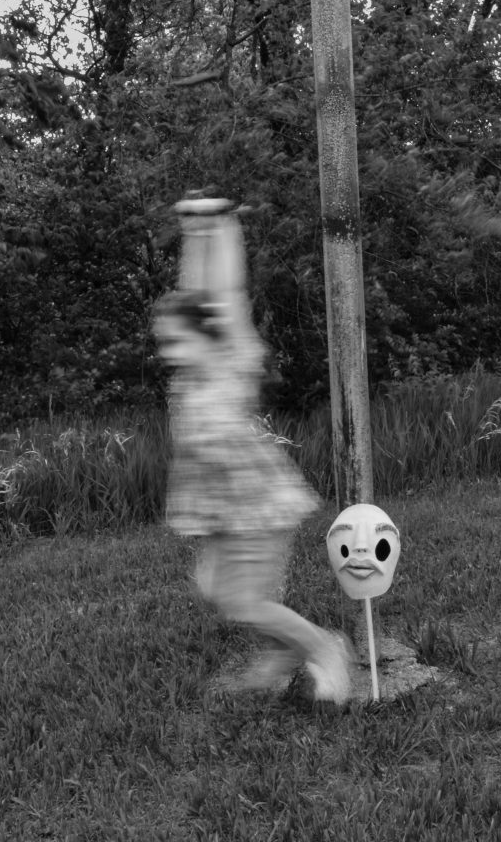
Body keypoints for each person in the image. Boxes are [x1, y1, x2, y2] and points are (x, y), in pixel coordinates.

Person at [154, 283, 355, 704]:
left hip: (256, 508)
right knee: (218, 591)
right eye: (164, 343)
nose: (168, 352)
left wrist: (213, 224)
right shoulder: (185, 387)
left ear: (210, 337)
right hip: (221, 514)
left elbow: (227, 297)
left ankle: (323, 646)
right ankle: (285, 647)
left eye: (177, 341)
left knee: (245, 602)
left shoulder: (229, 371)